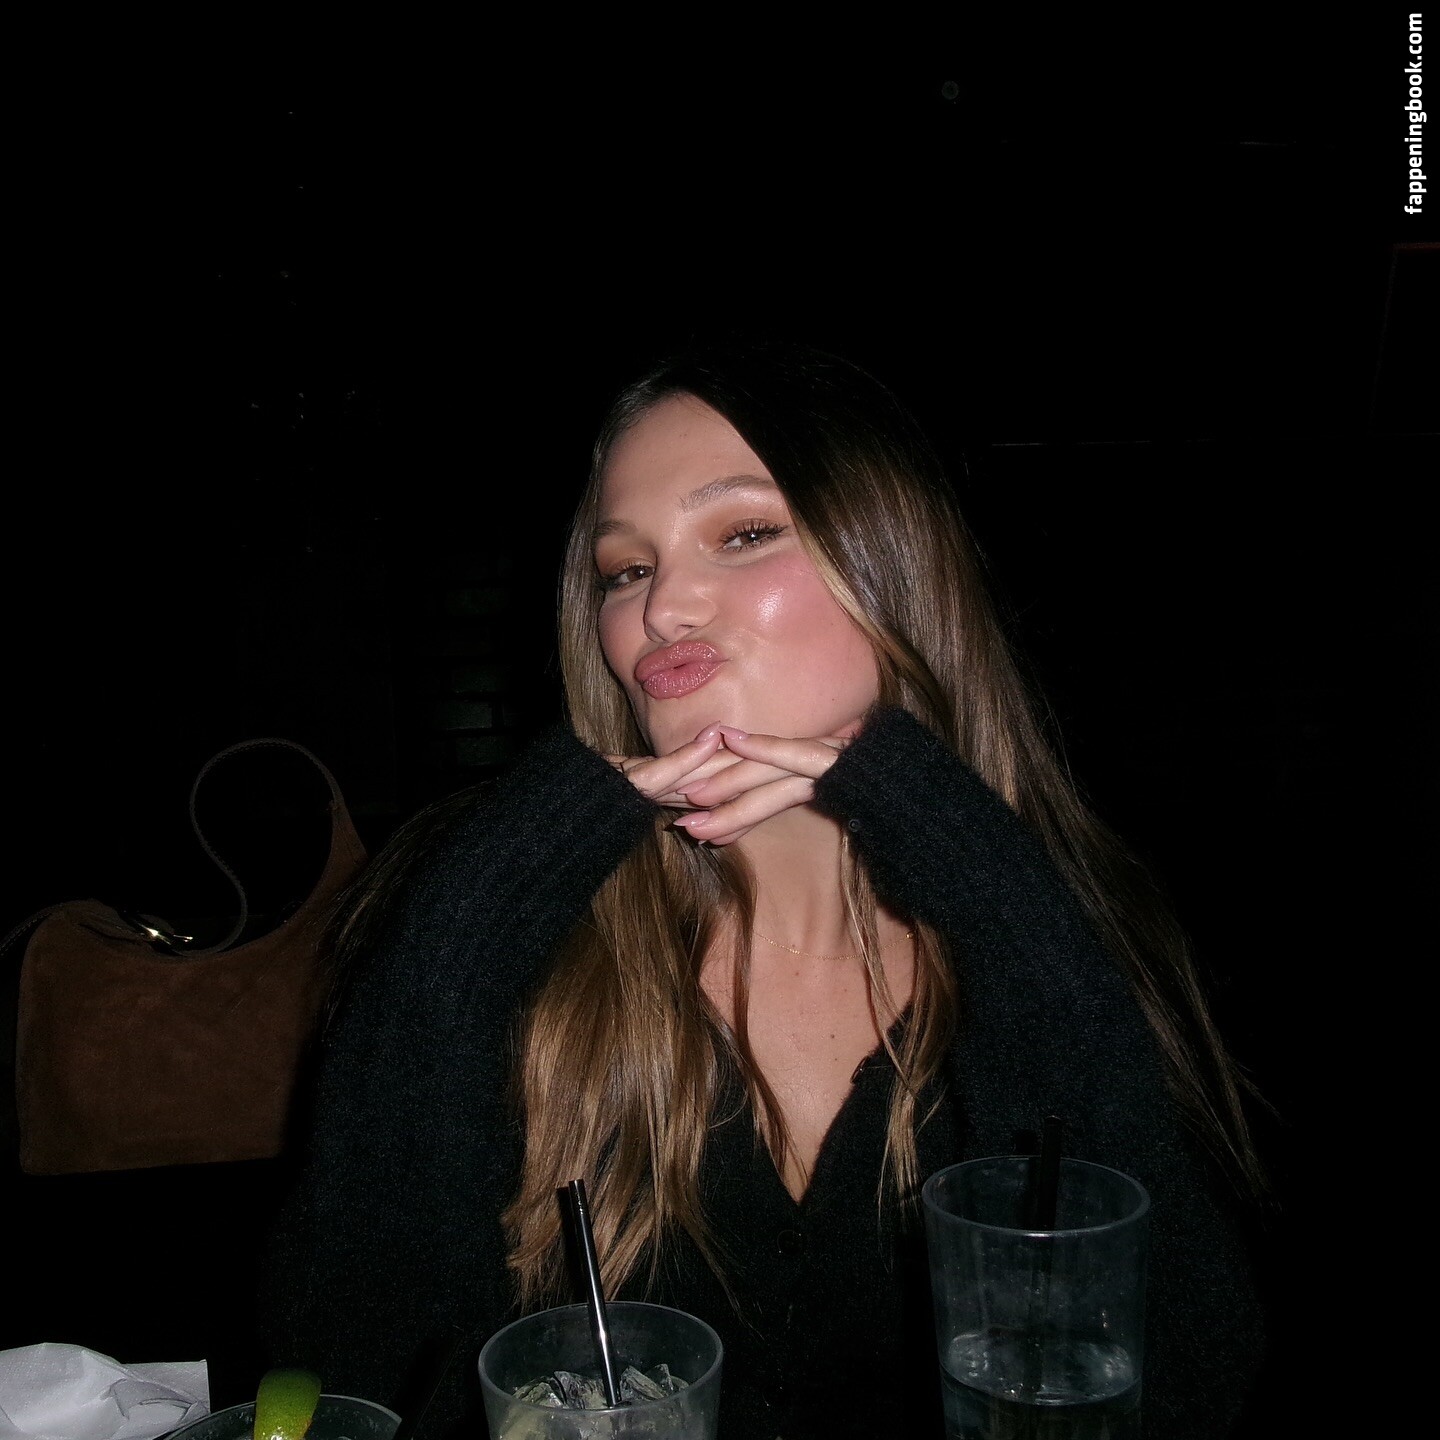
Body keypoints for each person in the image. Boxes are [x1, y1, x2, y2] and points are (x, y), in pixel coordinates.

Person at [261, 341, 1266, 1438]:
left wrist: (981, 880)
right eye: (624, 570)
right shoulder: (484, 912)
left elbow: (1180, 1380)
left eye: (743, 534)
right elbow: (346, 1377)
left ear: (895, 567)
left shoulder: (1070, 923)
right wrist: (466, 930)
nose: (663, 607)